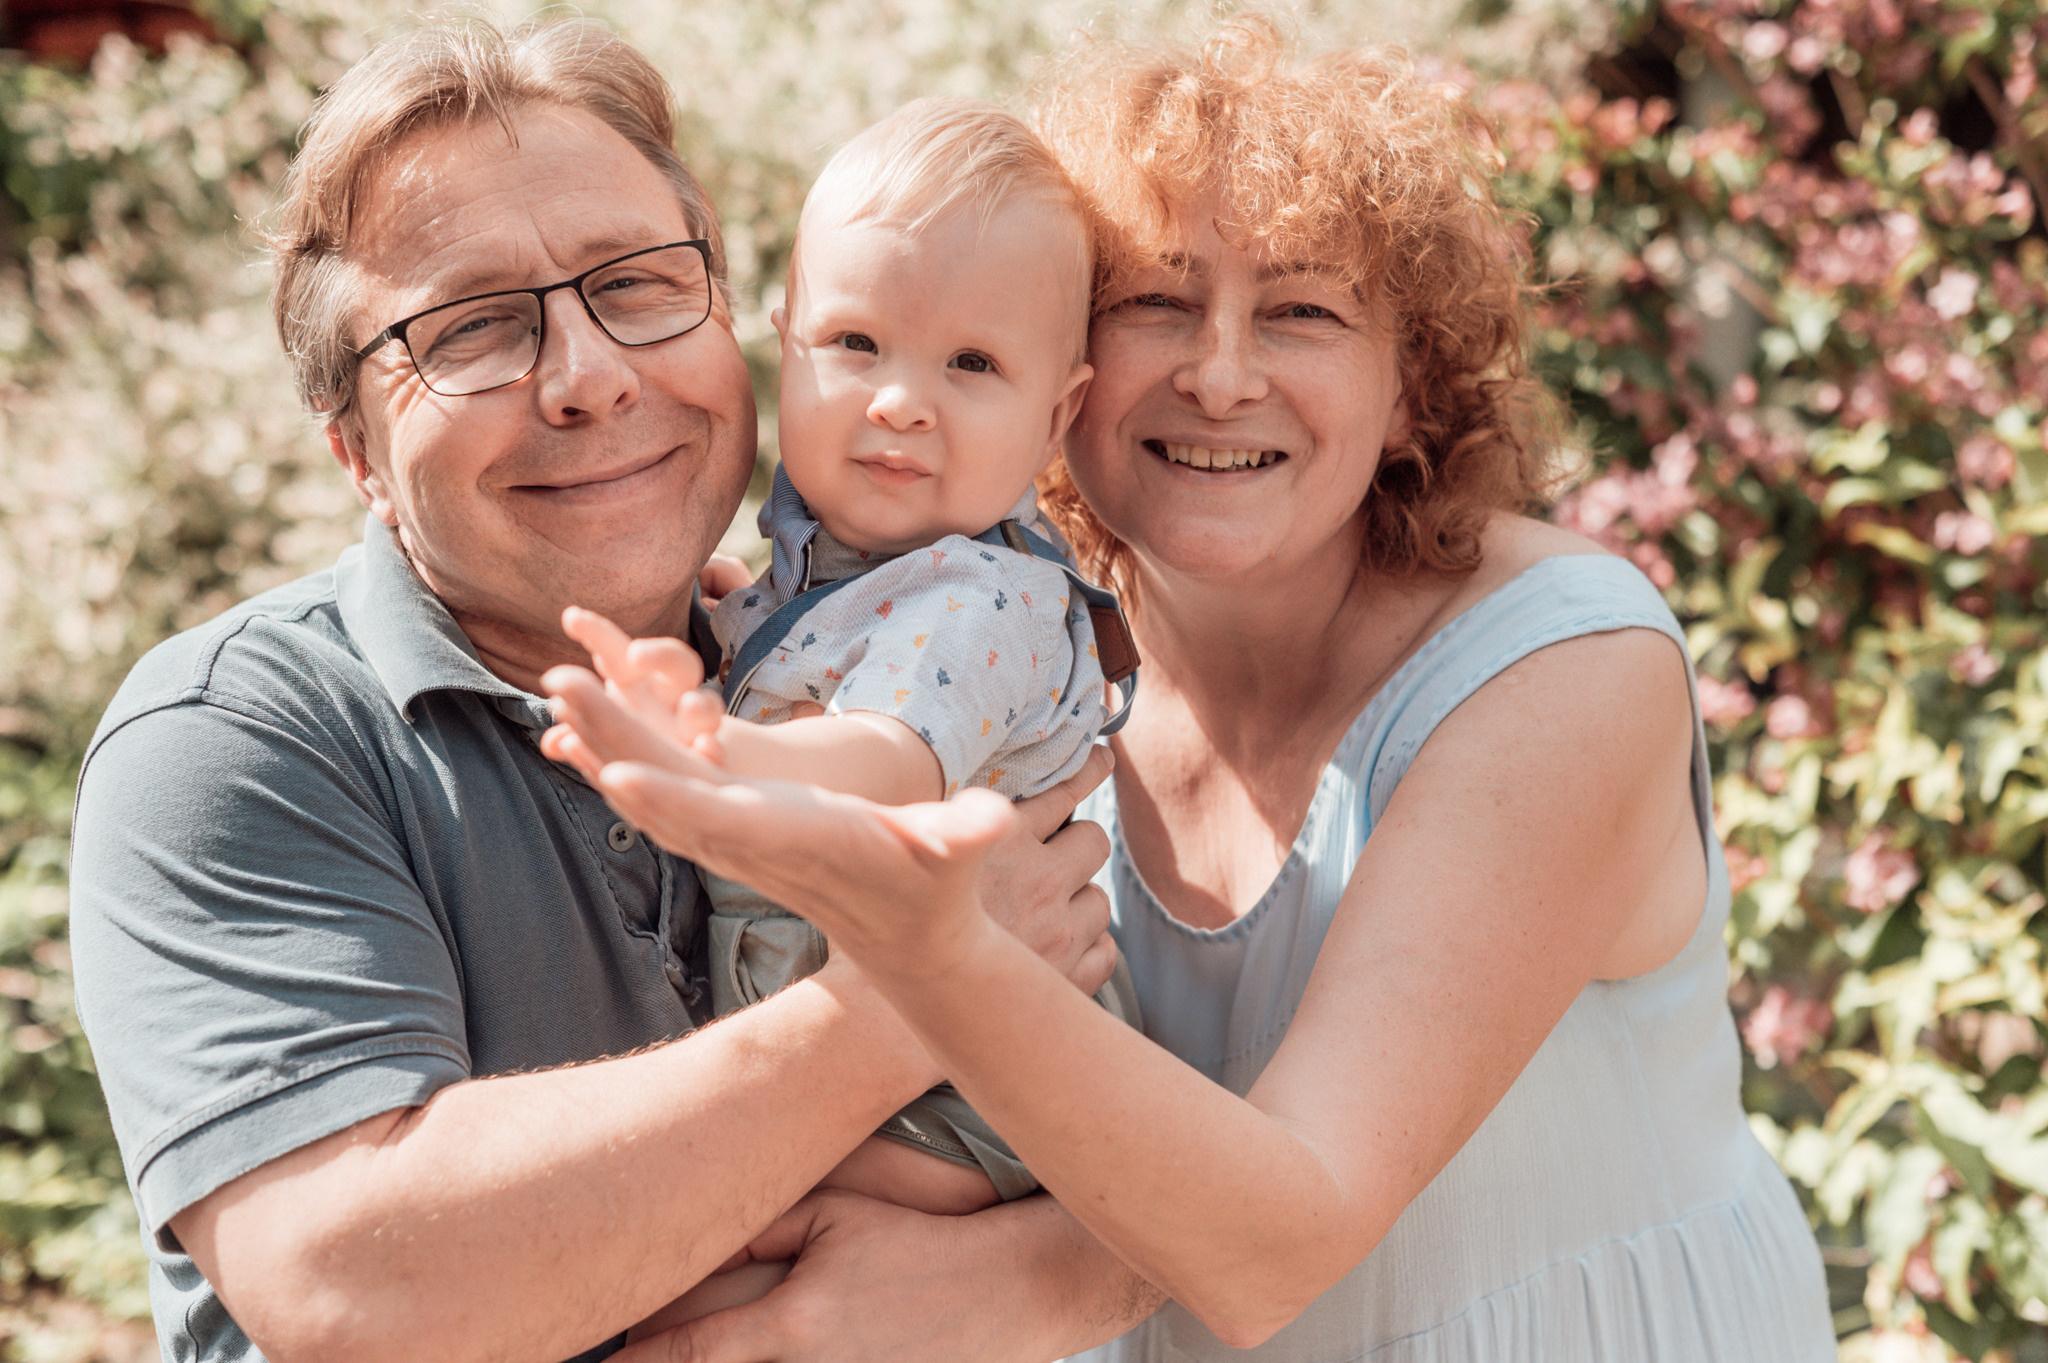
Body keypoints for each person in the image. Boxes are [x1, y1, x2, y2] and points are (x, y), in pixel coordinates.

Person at [547, 17, 1838, 1360]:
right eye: (1161, 300)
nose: (1221, 374)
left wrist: (999, 1215)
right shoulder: (1022, 655)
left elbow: (1286, 1226)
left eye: (1303, 310)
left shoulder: (1562, 668)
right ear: (1070, 379)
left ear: (1412, 388)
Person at [64, 19, 1167, 1363]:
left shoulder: (839, 659)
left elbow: (1177, 1223)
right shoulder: (239, 738)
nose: (590, 377)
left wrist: (1044, 1279)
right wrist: (922, 992)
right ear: (355, 447)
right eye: (470, 328)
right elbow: (365, 1290)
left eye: (637, 285)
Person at [549, 94, 1141, 1336]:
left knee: (694, 1260)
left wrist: (721, 745)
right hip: (882, 1054)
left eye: (971, 364)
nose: (900, 401)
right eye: (856, 342)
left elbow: (884, 757)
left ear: (1055, 413)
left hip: (971, 1095)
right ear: (782, 342)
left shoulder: (985, 597)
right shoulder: (807, 578)